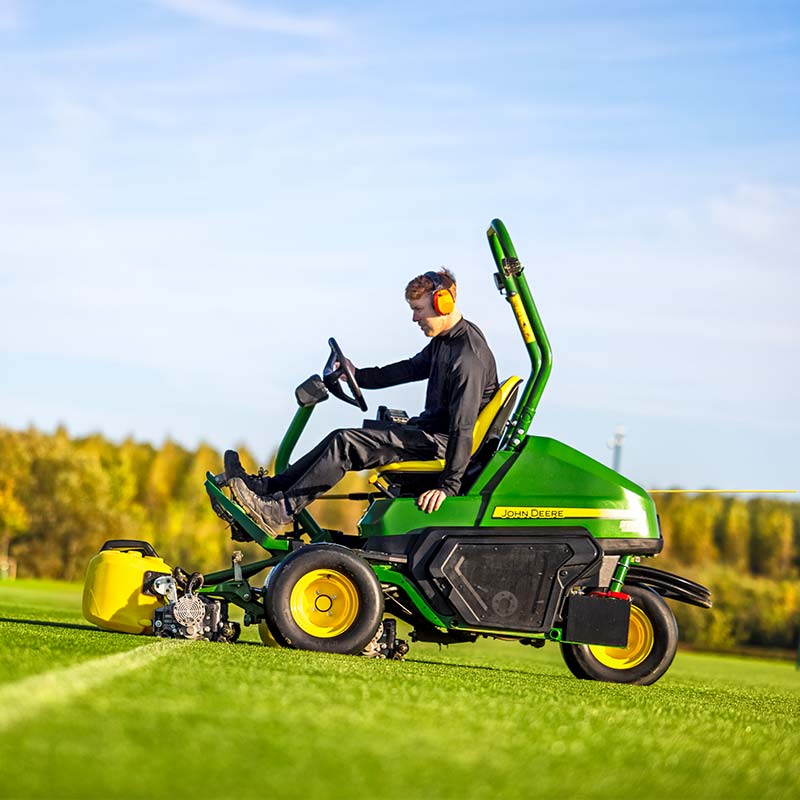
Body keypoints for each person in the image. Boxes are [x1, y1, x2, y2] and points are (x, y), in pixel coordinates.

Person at [219, 268, 499, 537]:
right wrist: (357, 375)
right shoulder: (446, 341)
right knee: (339, 438)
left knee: (346, 443)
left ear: (443, 304)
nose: (414, 318)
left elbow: (463, 428)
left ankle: (278, 511)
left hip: (440, 445)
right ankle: (266, 490)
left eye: (418, 309)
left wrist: (448, 487)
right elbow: (409, 369)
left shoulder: (467, 358)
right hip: (429, 433)